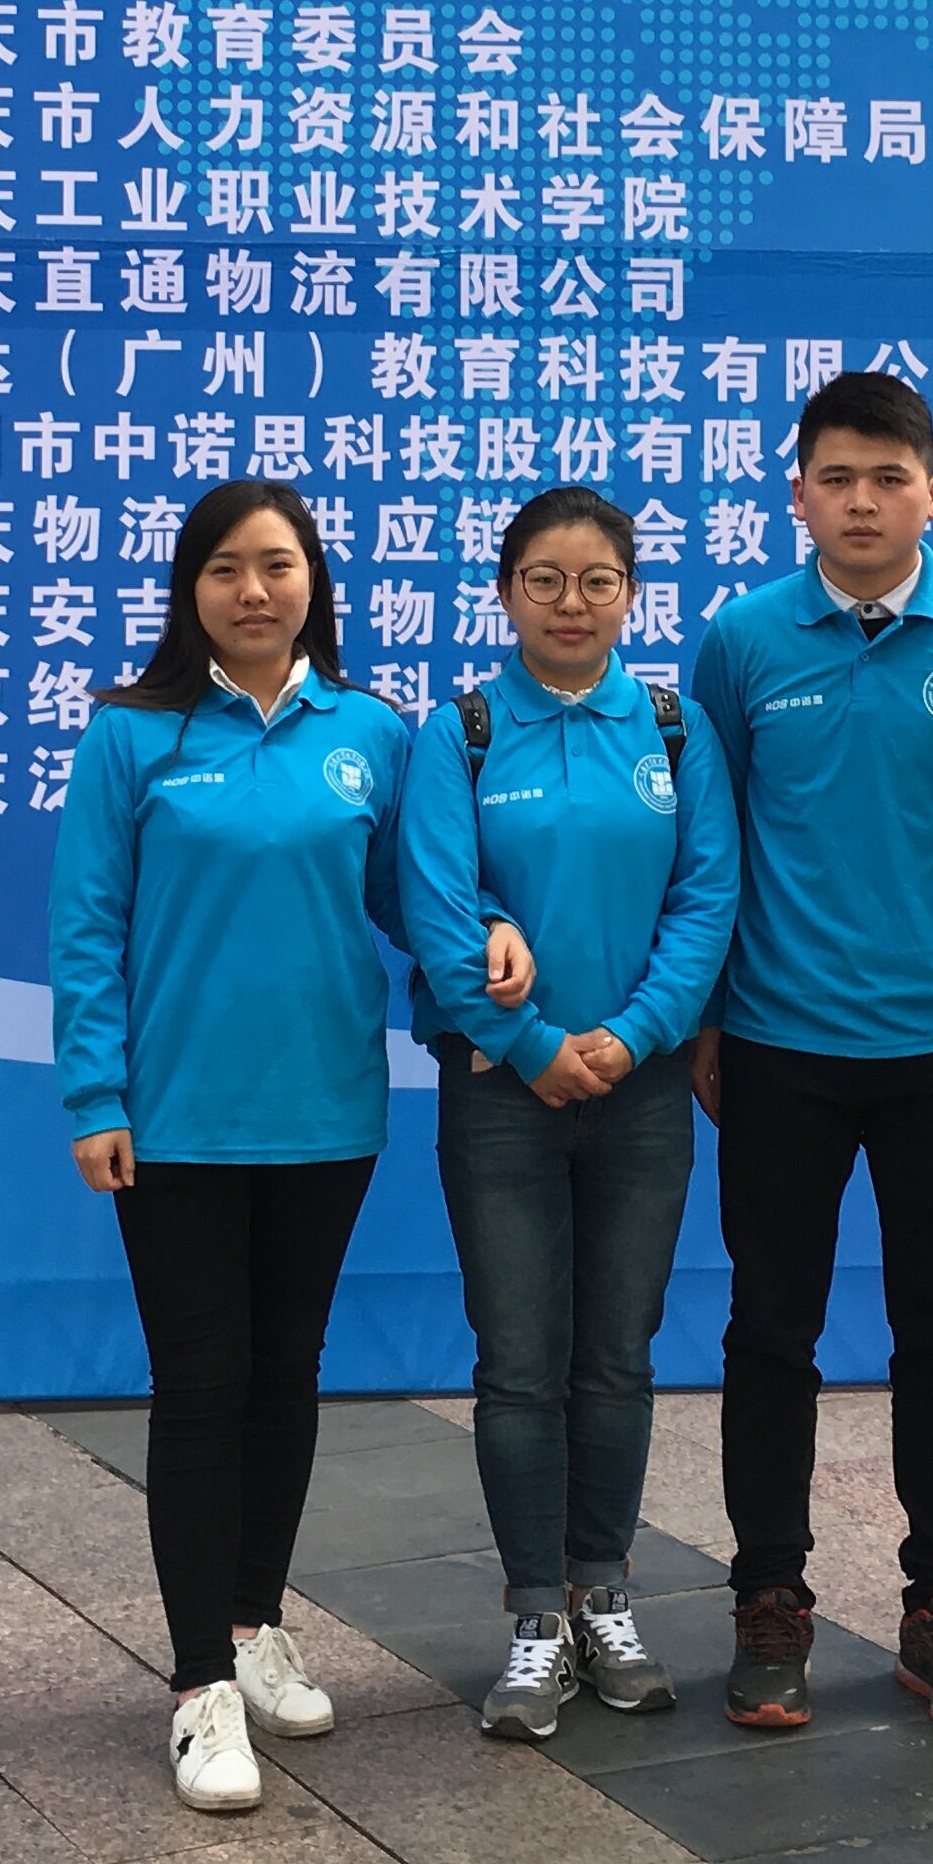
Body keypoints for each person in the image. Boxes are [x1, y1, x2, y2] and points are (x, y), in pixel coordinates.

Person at [685, 370, 933, 1735]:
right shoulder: (741, 642)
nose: (861, 502)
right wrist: (710, 1016)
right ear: (797, 495)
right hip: (778, 1042)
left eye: (888, 479)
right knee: (769, 1332)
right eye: (836, 478)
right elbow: (710, 840)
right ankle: (768, 1600)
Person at [47, 479, 412, 1817]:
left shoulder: (371, 732)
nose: (254, 591)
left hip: (326, 1112)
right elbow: (87, 925)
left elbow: (414, 900)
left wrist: (491, 946)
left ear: (315, 580)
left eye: (277, 565)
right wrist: (96, 1096)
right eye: (225, 569)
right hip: (179, 1121)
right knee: (202, 1386)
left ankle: (257, 1626)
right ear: (188, 590)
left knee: (286, 1377)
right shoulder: (132, 734)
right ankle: (200, 1684)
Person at [398, 485, 738, 1741]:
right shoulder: (462, 734)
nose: (571, 603)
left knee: (617, 1357)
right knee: (519, 1362)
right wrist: (534, 1046)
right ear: (506, 594)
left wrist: (633, 1036)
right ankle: (536, 1617)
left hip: (641, 1093)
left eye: (598, 581)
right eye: (544, 579)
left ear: (632, 594)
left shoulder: (674, 729)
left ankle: (605, 1593)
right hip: (502, 1095)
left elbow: (706, 902)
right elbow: (437, 908)